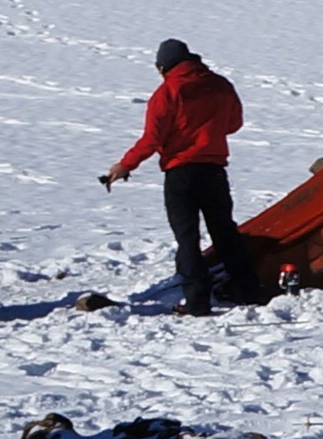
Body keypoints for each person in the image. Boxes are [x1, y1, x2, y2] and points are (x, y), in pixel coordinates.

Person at [101, 39, 251, 316]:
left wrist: (125, 165)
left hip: (180, 173)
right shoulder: (220, 85)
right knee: (225, 232)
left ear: (162, 66)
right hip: (214, 170)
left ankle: (197, 303)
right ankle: (249, 291)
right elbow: (234, 124)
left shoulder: (167, 92)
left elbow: (152, 139)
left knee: (188, 238)